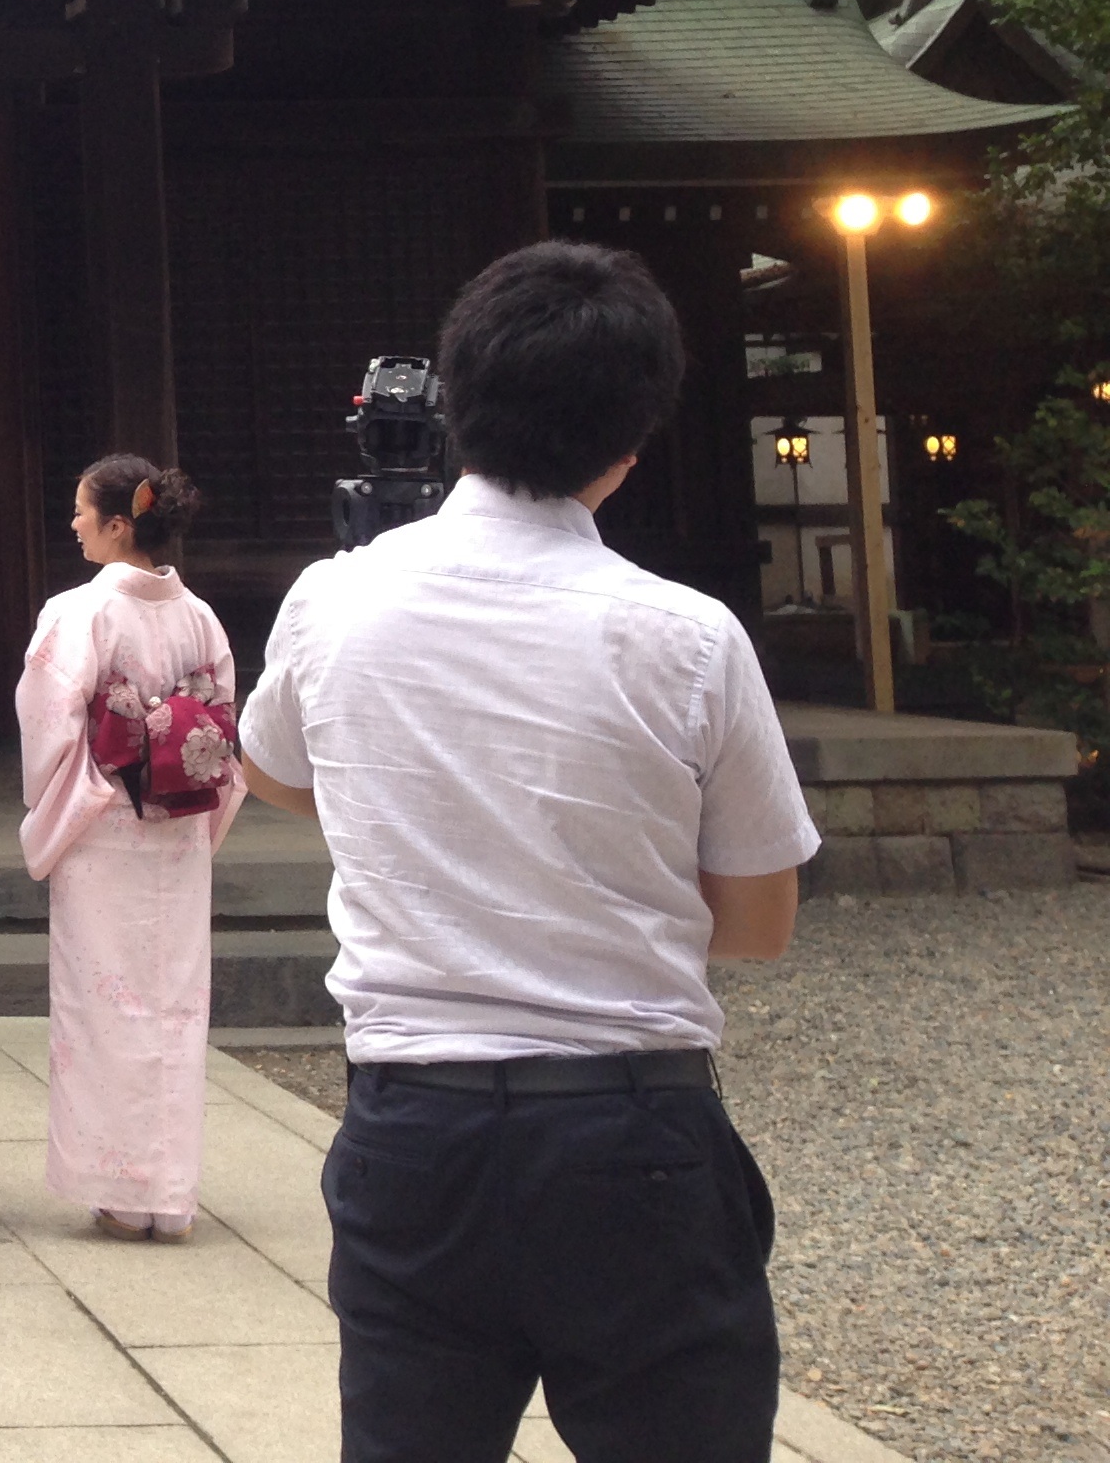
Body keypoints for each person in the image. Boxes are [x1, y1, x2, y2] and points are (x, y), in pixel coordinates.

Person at [237, 241, 820, 1463]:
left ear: (458, 404)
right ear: (632, 440)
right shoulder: (689, 637)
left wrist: (421, 826)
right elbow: (761, 925)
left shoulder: (330, 599)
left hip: (414, 1128)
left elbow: (275, 772)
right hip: (630, 1127)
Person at [15, 456, 240, 1242]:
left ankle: (119, 1189)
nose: (72, 523)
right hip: (174, 829)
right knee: (173, 1002)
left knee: (103, 1003)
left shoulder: (79, 613)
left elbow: (49, 724)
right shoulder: (200, 617)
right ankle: (168, 1195)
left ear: (118, 524)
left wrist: (64, 798)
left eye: (82, 512)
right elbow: (218, 727)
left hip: (104, 824)